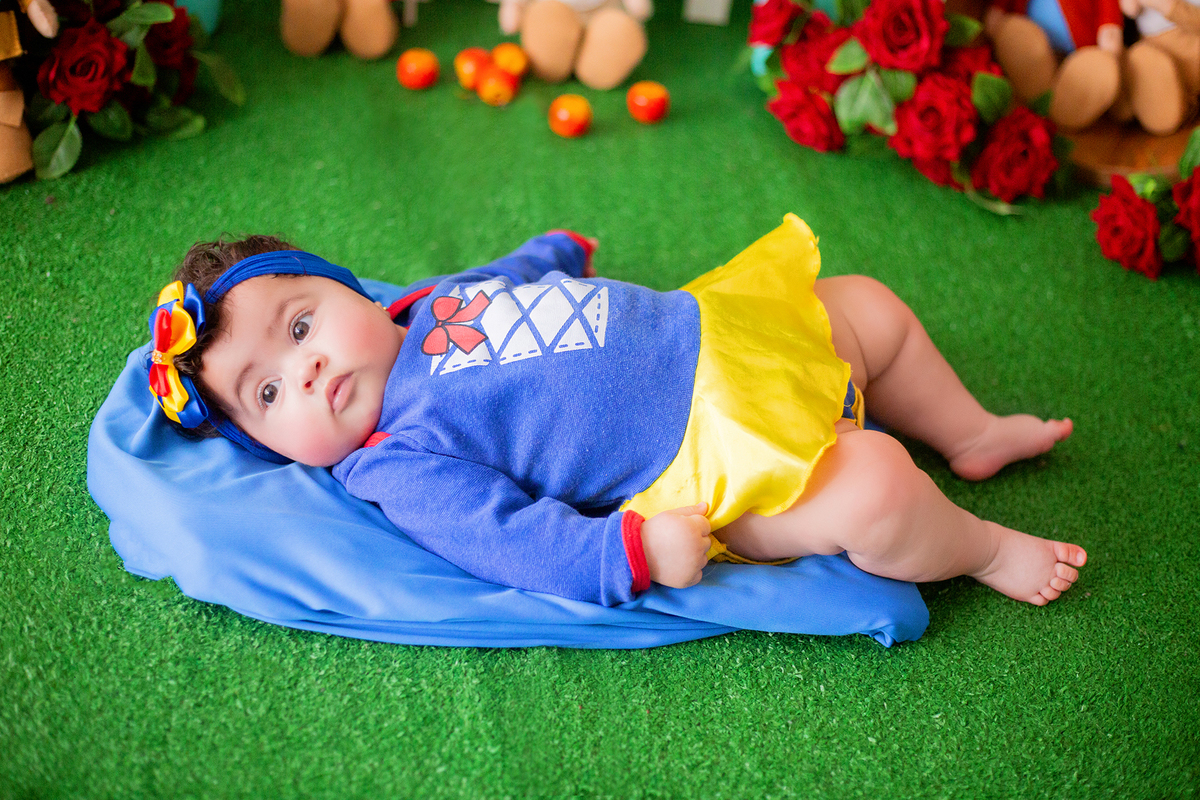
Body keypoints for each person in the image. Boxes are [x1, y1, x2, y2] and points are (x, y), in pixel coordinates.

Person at [146, 215, 1086, 609]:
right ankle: (985, 548)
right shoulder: (397, 458)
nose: (305, 371)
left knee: (872, 308)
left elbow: (499, 287)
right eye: (268, 394)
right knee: (878, 487)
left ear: (349, 290)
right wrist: (626, 555)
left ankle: (967, 431)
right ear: (271, 444)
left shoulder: (420, 307)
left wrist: (551, 252)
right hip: (698, 459)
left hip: (717, 333)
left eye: (301, 323)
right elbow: (503, 537)